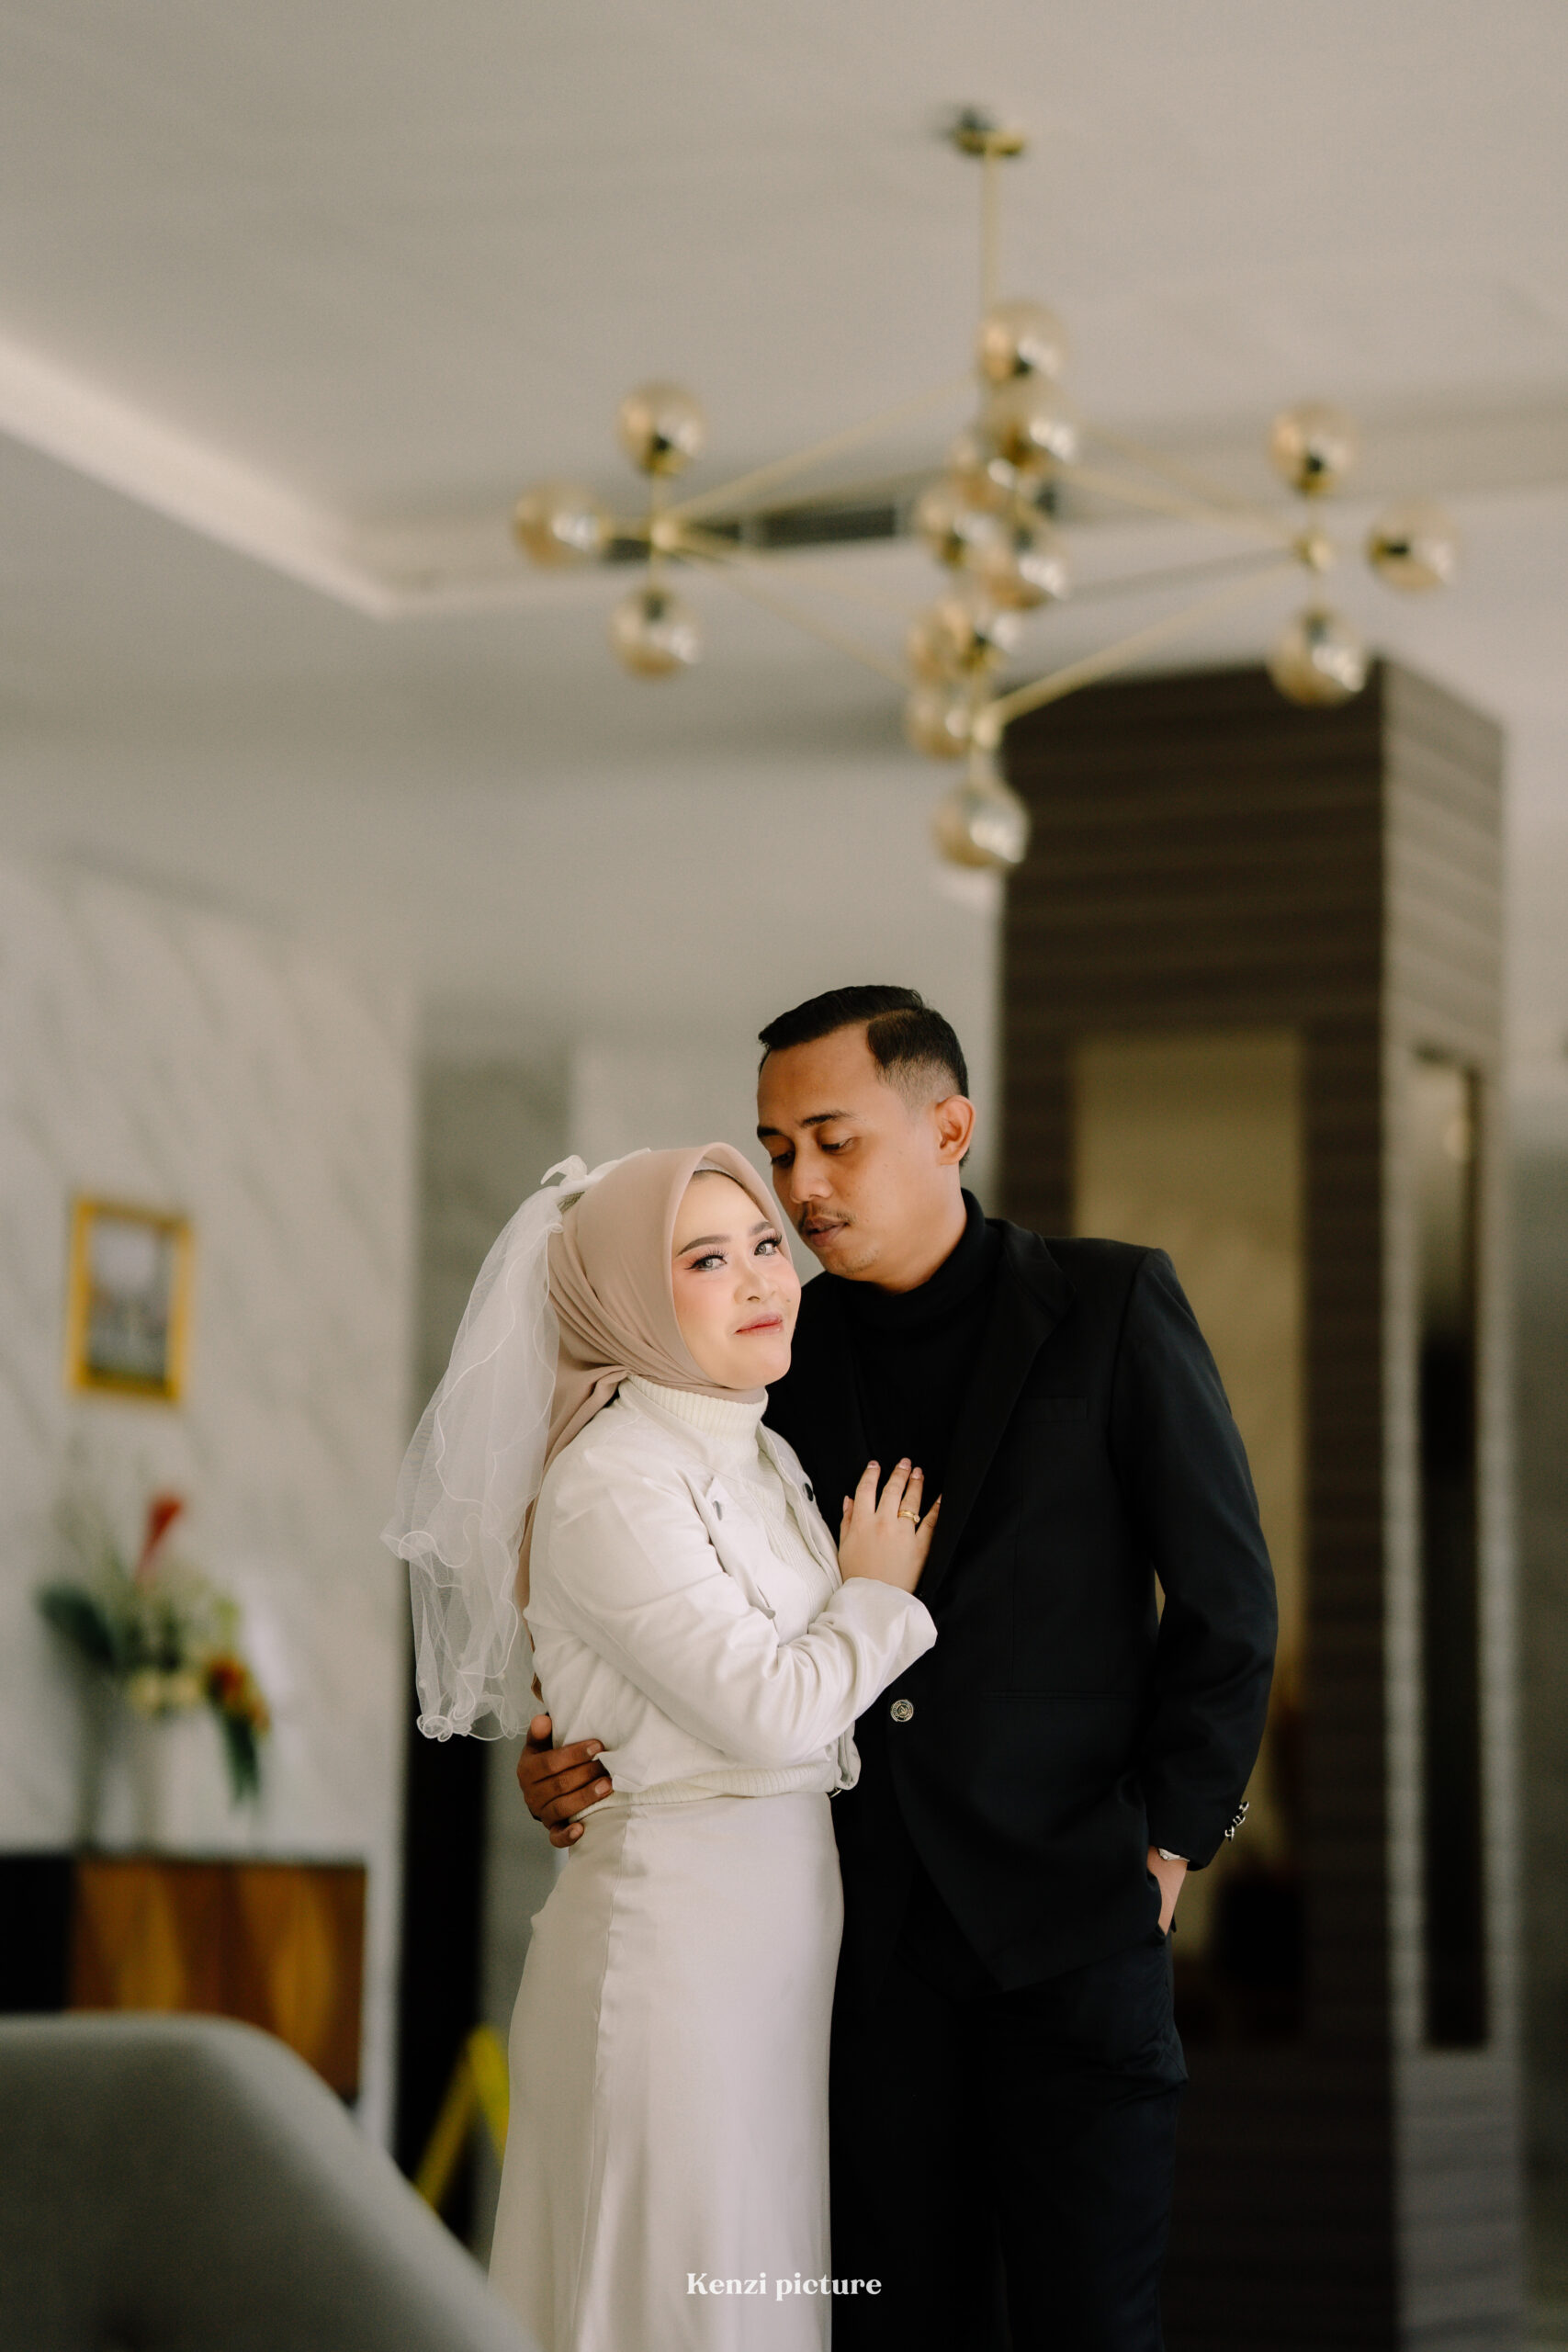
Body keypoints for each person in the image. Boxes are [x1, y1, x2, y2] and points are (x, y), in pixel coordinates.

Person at [520, 989, 1279, 2352]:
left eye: (834, 1140)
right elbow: (692, 1614)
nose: (800, 1186)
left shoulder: (1110, 1304)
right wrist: (575, 1750)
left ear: (949, 1128)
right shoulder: (769, 1362)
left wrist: (1171, 1844)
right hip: (854, 1969)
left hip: (1073, 1935)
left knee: (1093, 2330)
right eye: (777, 1149)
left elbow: (1229, 1605)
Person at [385, 1141, 940, 2352]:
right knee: (666, 2306)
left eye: (764, 1246)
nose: (763, 1278)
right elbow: (771, 1710)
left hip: (772, 1958)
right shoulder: (610, 1483)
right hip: (671, 1954)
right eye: (706, 1260)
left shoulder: (762, 1451)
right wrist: (878, 1597)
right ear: (629, 1298)